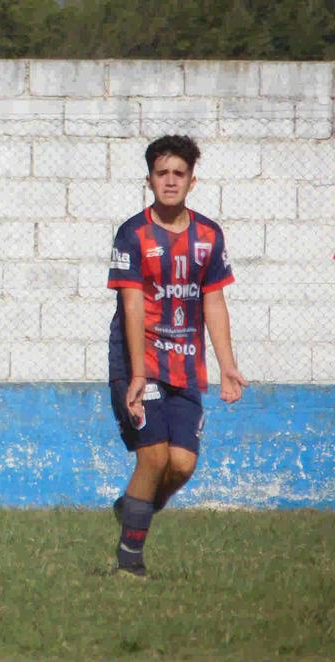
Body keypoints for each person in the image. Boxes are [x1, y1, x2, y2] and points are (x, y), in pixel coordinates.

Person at [107, 135, 248, 577]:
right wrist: (136, 374)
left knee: (182, 464)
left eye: (179, 174)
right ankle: (130, 562)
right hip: (139, 361)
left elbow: (213, 302)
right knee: (153, 458)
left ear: (192, 180)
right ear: (149, 180)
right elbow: (131, 305)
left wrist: (227, 366)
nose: (170, 181)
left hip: (186, 364)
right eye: (162, 173)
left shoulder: (209, 236)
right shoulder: (133, 234)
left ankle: (133, 508)